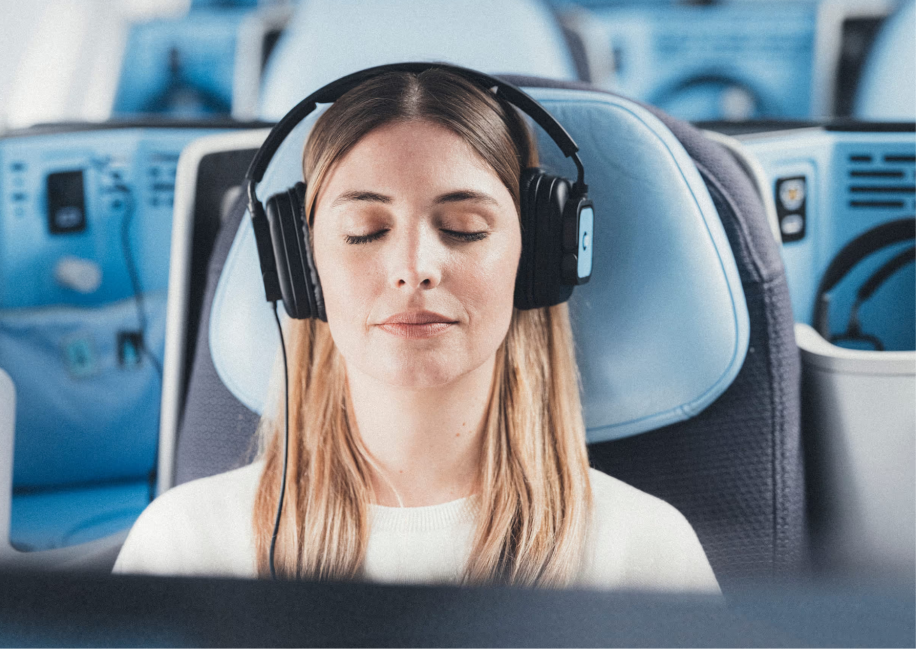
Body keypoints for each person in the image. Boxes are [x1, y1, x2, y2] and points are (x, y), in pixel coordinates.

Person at [113, 68, 720, 593]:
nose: (414, 269)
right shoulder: (186, 547)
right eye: (365, 231)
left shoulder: (643, 555)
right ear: (302, 267)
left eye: (463, 228)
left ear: (534, 260)